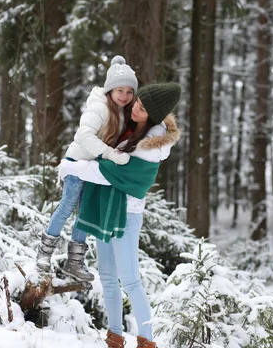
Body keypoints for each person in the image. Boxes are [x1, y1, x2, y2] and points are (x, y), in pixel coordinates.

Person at [59, 82, 182, 348]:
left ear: (153, 115)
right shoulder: (127, 129)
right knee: (107, 277)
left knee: (130, 280)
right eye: (137, 102)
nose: (135, 108)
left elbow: (107, 172)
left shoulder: (151, 147)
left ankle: (147, 341)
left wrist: (72, 168)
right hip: (107, 209)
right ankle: (114, 337)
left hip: (126, 214)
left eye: (142, 108)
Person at [36, 55, 138, 281]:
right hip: (78, 163)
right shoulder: (100, 106)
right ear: (110, 90)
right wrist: (110, 153)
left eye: (129, 91)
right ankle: (44, 255)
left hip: (94, 168)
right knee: (67, 206)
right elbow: (83, 135)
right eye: (120, 90)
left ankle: (74, 262)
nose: (124, 96)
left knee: (84, 214)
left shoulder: (123, 111)